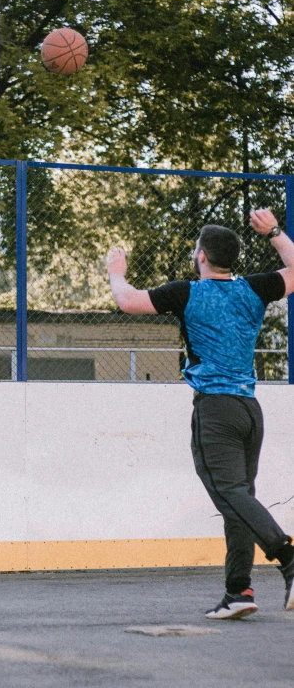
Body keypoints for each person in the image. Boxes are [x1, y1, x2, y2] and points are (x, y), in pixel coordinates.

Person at [107, 208, 294, 620]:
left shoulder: (187, 292)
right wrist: (275, 232)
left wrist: (116, 271)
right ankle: (239, 591)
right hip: (249, 410)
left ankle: (288, 558)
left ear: (202, 257)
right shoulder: (254, 290)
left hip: (216, 409)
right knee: (240, 501)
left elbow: (126, 300)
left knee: (232, 495)